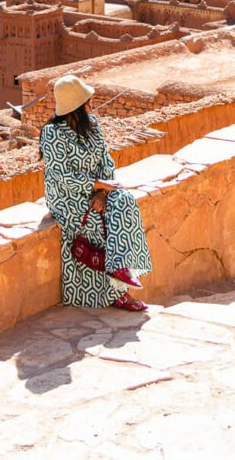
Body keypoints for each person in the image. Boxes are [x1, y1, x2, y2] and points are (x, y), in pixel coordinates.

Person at [40, 73, 151, 312]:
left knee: (126, 203)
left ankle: (119, 270)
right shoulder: (52, 134)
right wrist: (96, 186)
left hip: (98, 188)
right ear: (78, 107)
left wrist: (101, 192)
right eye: (88, 100)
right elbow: (61, 175)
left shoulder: (93, 126)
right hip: (66, 196)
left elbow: (105, 160)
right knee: (99, 224)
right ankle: (118, 294)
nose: (92, 103)